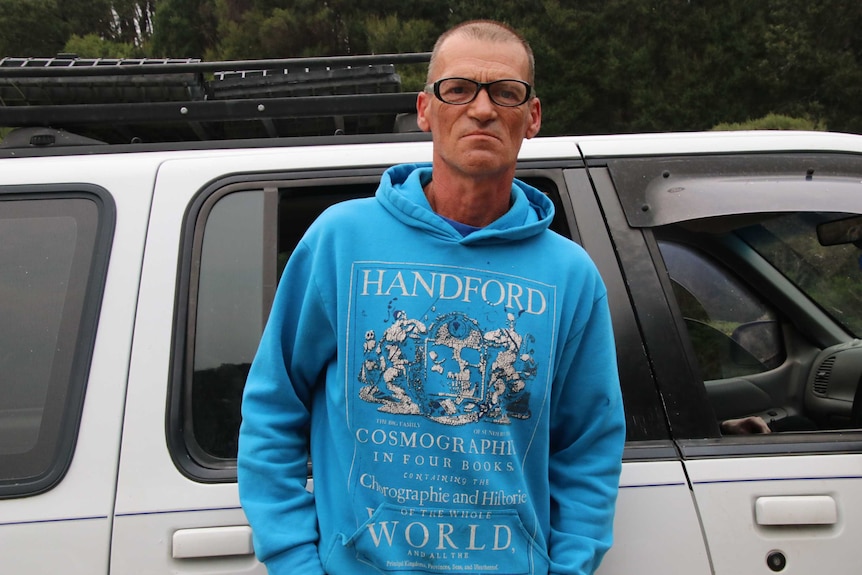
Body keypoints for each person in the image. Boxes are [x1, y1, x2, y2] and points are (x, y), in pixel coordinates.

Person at [238, 19, 626, 575]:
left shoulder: (570, 275)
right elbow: (275, 407)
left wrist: (567, 567)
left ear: (532, 116)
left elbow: (589, 444)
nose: (483, 109)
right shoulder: (340, 240)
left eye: (506, 92)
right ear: (425, 109)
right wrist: (294, 560)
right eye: (459, 89)